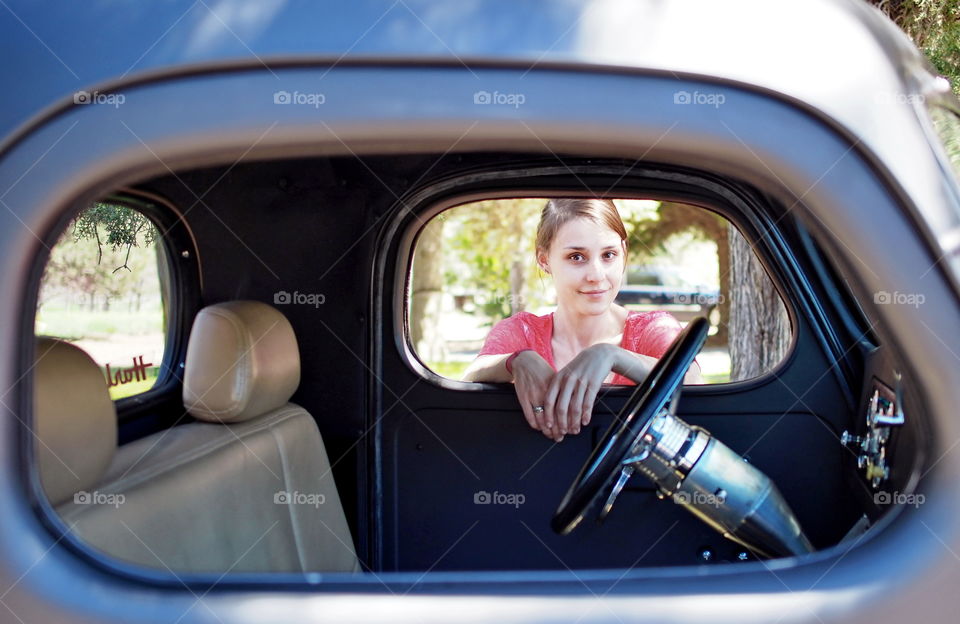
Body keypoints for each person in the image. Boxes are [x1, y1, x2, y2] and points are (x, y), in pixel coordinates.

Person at [462, 198, 703, 442]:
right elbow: (471, 376)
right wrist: (515, 361)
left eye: (609, 255)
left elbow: (693, 381)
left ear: (624, 252)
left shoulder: (652, 328)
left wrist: (612, 356)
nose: (596, 275)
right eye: (576, 257)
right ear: (544, 260)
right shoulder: (522, 331)